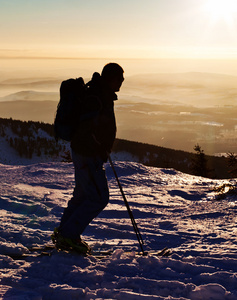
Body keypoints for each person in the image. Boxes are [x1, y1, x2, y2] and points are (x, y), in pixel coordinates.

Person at [52, 63, 124, 253]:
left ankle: (64, 233)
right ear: (111, 78)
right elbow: (87, 128)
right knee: (99, 198)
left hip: (85, 153)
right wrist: (100, 145)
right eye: (120, 78)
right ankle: (68, 235)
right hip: (88, 155)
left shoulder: (100, 94)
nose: (122, 82)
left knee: (82, 195)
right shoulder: (97, 96)